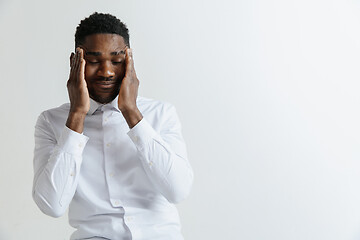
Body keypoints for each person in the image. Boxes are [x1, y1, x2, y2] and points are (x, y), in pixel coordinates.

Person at [32, 12, 193, 240]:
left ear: (129, 61)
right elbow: (51, 205)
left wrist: (131, 112)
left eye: (116, 61)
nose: (107, 72)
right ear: (75, 62)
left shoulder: (161, 114)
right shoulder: (52, 122)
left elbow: (178, 190)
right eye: (94, 61)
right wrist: (77, 115)